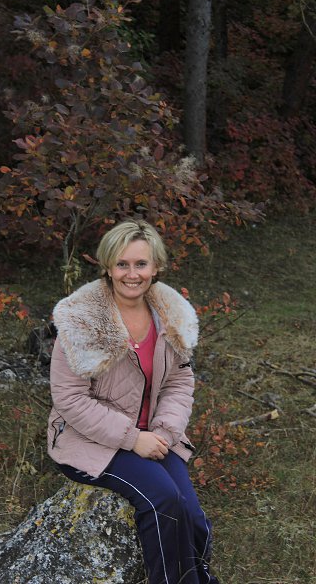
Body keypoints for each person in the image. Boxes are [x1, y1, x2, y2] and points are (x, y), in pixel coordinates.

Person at [47, 220, 220, 584]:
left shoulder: (170, 317)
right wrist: (132, 438)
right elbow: (69, 398)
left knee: (192, 515)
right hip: (91, 440)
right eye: (122, 264)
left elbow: (179, 382)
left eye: (141, 264)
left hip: (154, 435)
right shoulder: (81, 320)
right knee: (164, 501)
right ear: (107, 267)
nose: (132, 274)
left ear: (156, 267)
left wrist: (164, 431)